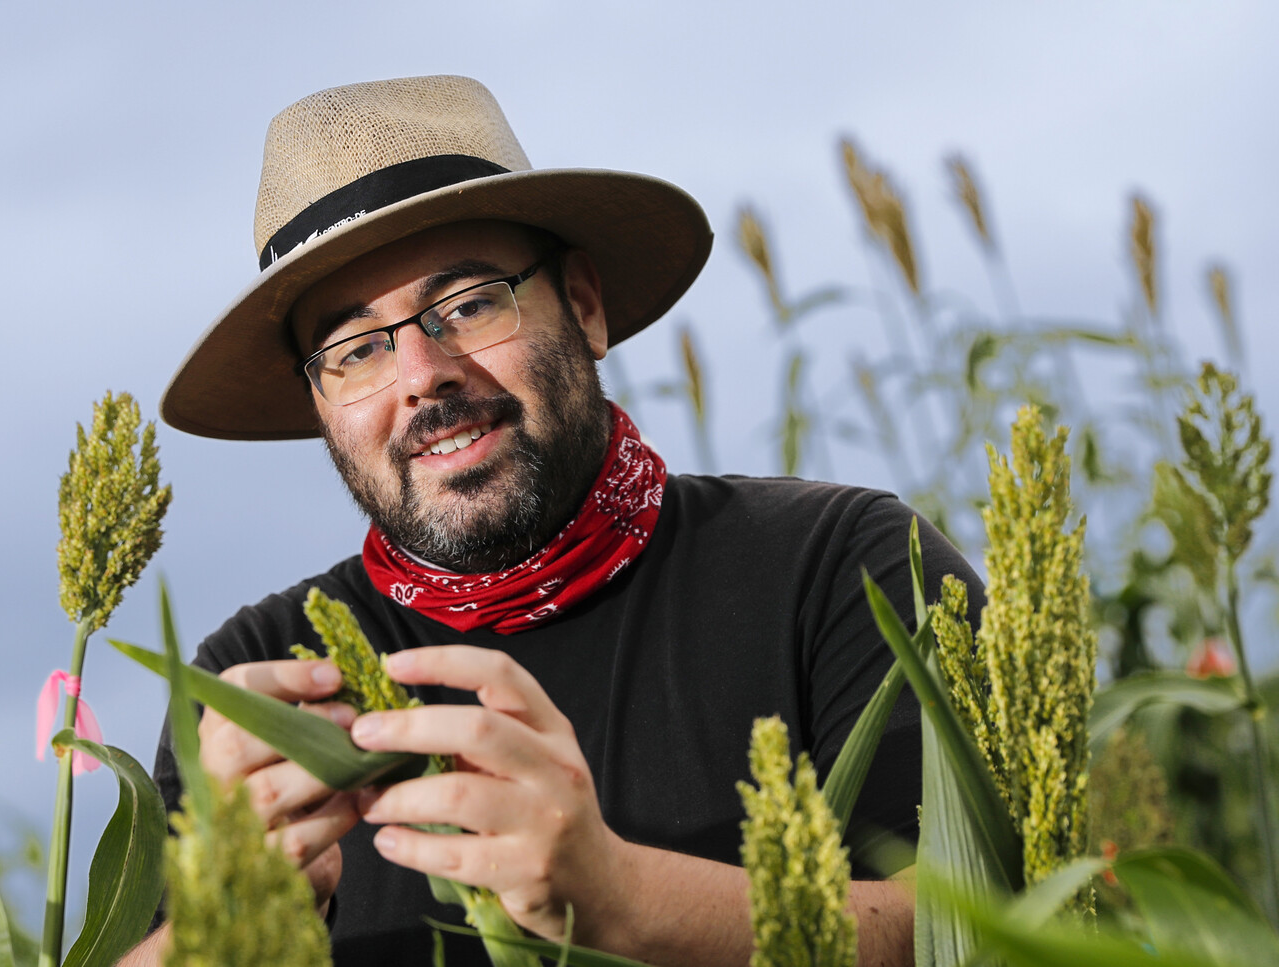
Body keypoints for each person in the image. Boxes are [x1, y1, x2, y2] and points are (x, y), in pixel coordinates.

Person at [132, 75, 983, 967]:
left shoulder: (840, 568)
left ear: (583, 306)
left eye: (467, 305)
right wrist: (208, 934)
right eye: (355, 350)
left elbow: (986, 920)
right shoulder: (256, 682)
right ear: (320, 403)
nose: (421, 374)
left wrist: (618, 895)